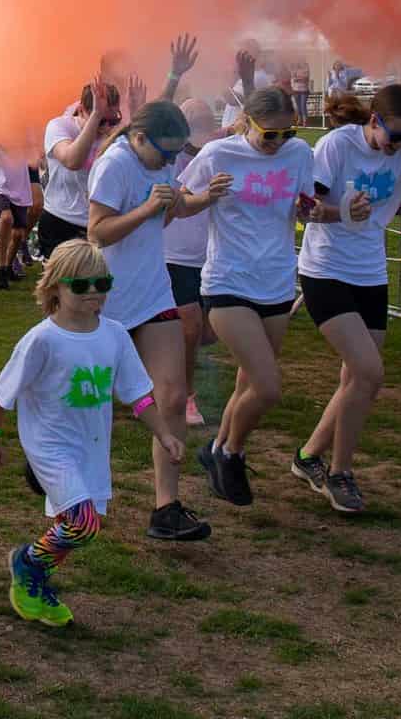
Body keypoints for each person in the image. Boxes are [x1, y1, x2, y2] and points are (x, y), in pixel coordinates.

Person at [0, 238, 180, 628]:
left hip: (91, 446)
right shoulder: (42, 340)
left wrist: (164, 434)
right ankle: (28, 565)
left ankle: (34, 577)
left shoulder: (116, 335)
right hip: (50, 445)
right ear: (55, 286)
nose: (94, 294)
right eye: (82, 285)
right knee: (83, 523)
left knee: (81, 525)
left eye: (102, 285)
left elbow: (137, 395)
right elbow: (2, 393)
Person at [293, 84, 401, 514]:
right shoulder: (338, 145)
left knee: (357, 381)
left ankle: (307, 458)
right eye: (396, 137)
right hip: (325, 270)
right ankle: (340, 474)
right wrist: (342, 213)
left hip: (370, 274)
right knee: (369, 374)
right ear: (374, 121)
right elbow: (305, 208)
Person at [86, 99, 229, 541]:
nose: (172, 162)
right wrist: (147, 210)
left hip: (153, 295)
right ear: (139, 137)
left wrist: (205, 197)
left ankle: (166, 508)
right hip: (104, 301)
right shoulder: (115, 165)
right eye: (165, 154)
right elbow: (97, 231)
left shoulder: (162, 160)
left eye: (177, 154)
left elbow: (175, 205)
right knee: (88, 402)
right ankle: (61, 477)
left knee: (171, 397)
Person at [177, 87, 314, 506]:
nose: (278, 143)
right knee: (268, 387)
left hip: (275, 282)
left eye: (287, 133)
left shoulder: (299, 155)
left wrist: (311, 211)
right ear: (244, 124)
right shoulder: (219, 155)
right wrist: (206, 197)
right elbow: (179, 204)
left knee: (249, 380)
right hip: (227, 282)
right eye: (268, 135)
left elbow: (307, 203)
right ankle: (232, 453)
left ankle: (217, 448)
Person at [164, 98, 223, 428]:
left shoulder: (216, 152)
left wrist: (245, 82)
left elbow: (247, 124)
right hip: (173, 255)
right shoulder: (166, 157)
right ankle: (186, 396)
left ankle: (158, 365)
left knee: (209, 333)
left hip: (209, 256)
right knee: (190, 324)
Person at [41, 76, 120, 257]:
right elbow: (72, 161)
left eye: (113, 121)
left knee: (97, 284)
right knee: (63, 285)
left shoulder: (112, 133)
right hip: (61, 222)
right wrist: (95, 117)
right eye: (102, 121)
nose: (107, 127)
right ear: (82, 110)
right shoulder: (60, 125)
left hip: (96, 225)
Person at [0, 141, 35, 290]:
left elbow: (33, 156)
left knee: (18, 235)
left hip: (20, 186)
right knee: (6, 218)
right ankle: (1, 269)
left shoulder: (24, 132)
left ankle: (8, 266)